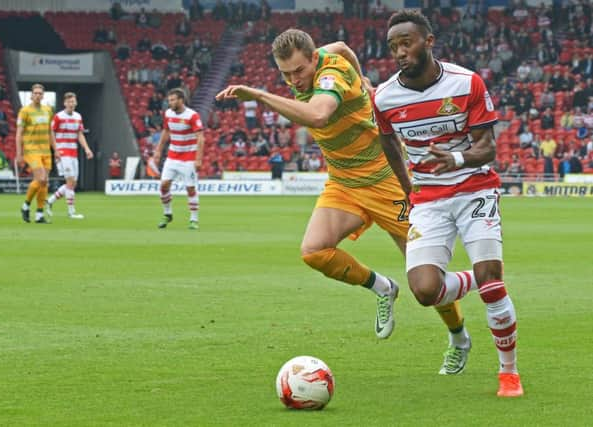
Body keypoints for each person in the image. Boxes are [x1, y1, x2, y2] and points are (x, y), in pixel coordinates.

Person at [216, 30, 475, 352]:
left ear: (313, 59)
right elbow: (341, 45)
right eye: (285, 74)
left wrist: (260, 95)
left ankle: (458, 336)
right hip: (344, 182)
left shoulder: (332, 74)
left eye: (299, 71)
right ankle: (382, 288)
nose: (294, 80)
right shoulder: (317, 58)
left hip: (386, 179)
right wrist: (364, 79)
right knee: (314, 251)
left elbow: (319, 115)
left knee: (425, 278)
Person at [373, 10, 523, 397]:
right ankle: (478, 277)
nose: (400, 52)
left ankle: (509, 373)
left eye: (406, 43)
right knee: (424, 291)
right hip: (429, 199)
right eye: (393, 47)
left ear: (428, 41)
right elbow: (387, 140)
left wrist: (455, 160)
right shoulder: (385, 96)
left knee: (494, 287)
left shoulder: (466, 82)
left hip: (474, 188)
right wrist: (409, 187)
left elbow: (488, 148)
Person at [152, 88, 204, 230]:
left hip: (189, 157)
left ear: (181, 100)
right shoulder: (168, 114)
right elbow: (166, 131)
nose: (170, 103)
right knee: (164, 185)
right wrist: (158, 150)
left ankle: (194, 219)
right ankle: (167, 214)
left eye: (173, 100)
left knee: (190, 188)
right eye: (169, 100)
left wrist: (198, 159)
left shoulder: (192, 116)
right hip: (173, 155)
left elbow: (200, 138)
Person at [46, 92, 94, 219]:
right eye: (69, 102)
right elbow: (51, 133)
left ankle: (50, 201)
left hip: (74, 152)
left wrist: (87, 149)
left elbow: (80, 134)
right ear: (65, 103)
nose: (71, 104)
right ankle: (71, 212)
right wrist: (55, 150)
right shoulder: (58, 117)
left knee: (72, 184)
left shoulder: (78, 116)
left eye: (73, 101)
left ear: (76, 103)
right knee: (70, 181)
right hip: (62, 152)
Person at [16, 84, 59, 224]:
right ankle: (26, 205)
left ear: (43, 95)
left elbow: (50, 132)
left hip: (46, 150)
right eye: (35, 93)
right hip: (32, 150)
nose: (38, 95)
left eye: (40, 93)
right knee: (41, 178)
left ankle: (39, 214)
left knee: (44, 182)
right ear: (31, 95)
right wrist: (19, 153)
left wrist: (56, 150)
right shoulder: (24, 111)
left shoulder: (48, 110)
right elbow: (19, 133)